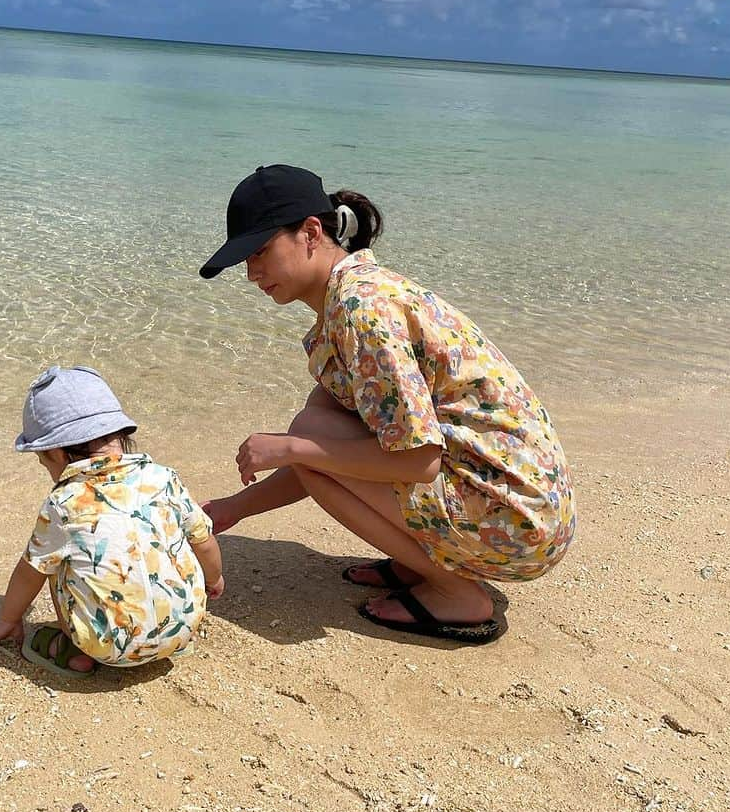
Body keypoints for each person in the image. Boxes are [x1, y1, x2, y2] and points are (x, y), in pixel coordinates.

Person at [200, 165, 575, 644]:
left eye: (259, 253)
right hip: (524, 506)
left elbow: (419, 461)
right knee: (316, 426)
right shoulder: (358, 295)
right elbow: (353, 447)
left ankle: (456, 593)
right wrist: (233, 508)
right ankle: (423, 561)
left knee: (309, 438)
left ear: (311, 232)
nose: (252, 274)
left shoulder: (363, 310)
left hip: (516, 522)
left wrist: (292, 450)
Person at [0, 365, 224, 674]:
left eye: (44, 463)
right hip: (184, 628)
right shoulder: (163, 478)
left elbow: (29, 573)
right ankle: (167, 631)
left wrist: (9, 620)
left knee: (52, 560)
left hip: (106, 647)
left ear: (55, 452)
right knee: (166, 540)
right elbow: (204, 543)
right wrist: (214, 579)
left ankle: (74, 651)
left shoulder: (64, 502)